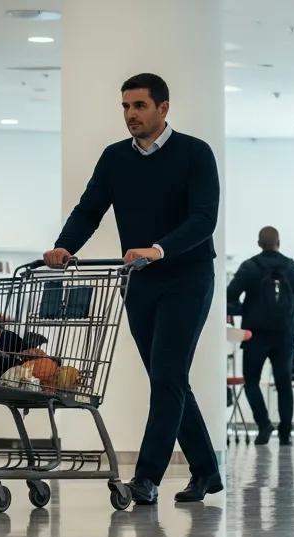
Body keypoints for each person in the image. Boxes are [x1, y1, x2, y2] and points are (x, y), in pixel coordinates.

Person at [43, 72, 221, 506]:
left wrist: (159, 249)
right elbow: (89, 209)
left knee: (167, 376)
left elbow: (203, 219)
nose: (130, 114)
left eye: (139, 105)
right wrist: (65, 246)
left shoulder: (195, 153)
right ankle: (206, 470)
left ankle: (146, 478)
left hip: (188, 277)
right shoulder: (114, 158)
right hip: (138, 281)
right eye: (125, 106)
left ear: (163, 108)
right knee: (168, 378)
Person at [226, 226, 294, 446]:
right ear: (278, 242)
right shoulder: (293, 270)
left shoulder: (249, 267)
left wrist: (244, 310)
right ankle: (286, 434)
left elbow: (228, 297)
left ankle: (264, 425)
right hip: (285, 336)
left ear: (259, 243)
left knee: (251, 382)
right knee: (284, 384)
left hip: (254, 336)